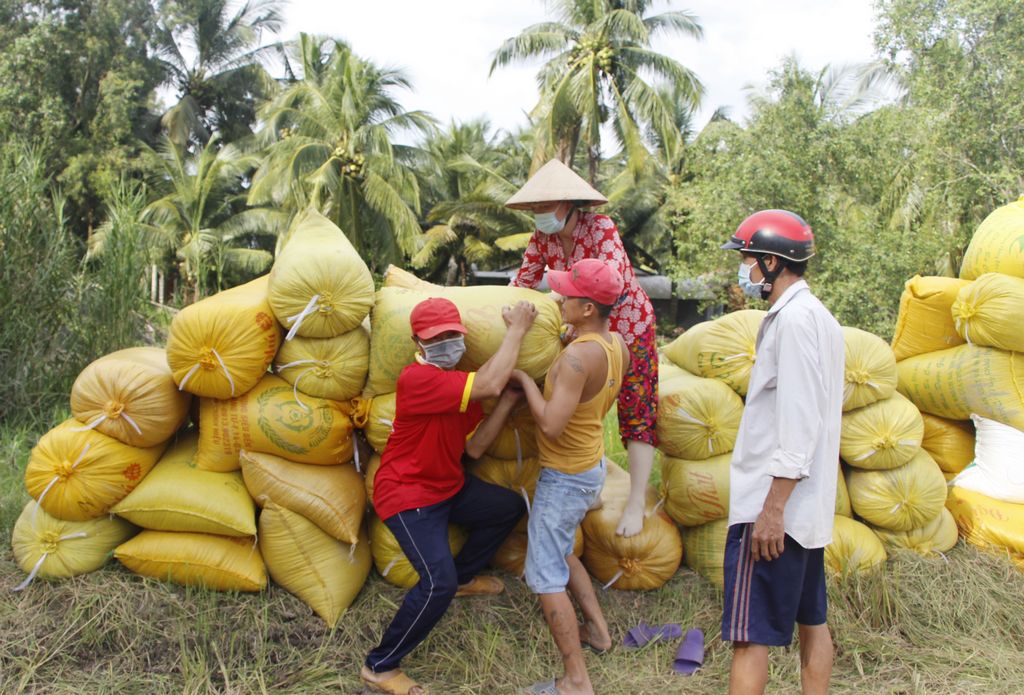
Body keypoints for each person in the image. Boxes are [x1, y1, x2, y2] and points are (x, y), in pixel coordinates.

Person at [361, 297, 538, 695]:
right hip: (407, 495)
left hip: (448, 485)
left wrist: (508, 402)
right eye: (435, 337)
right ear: (418, 343)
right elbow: (491, 382)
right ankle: (380, 666)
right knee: (434, 585)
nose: (446, 342)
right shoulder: (416, 379)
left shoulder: (459, 385)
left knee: (507, 508)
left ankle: (463, 578)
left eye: (451, 335)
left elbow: (475, 449)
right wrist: (518, 329)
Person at [719, 210, 844, 695]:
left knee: (749, 639)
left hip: (774, 510)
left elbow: (797, 420)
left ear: (772, 261)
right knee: (814, 623)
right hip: (805, 511)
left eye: (748, 260)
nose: (745, 269)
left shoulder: (792, 321)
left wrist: (772, 511)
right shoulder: (821, 319)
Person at [506, 159, 657, 539]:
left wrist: (569, 305)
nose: (540, 215)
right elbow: (523, 281)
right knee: (581, 409)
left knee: (635, 409)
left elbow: (614, 281)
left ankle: (636, 500)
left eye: (546, 206)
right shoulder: (542, 239)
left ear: (569, 204)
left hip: (627, 326)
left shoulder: (600, 228)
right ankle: (590, 487)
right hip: (576, 329)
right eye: (536, 208)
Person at [510, 258, 630, 695]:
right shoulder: (614, 344)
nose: (558, 298)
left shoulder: (578, 358)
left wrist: (524, 379)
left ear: (587, 309)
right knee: (560, 552)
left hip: (564, 476)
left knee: (543, 573)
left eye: (567, 295)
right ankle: (598, 631)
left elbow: (550, 425)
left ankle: (575, 681)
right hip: (589, 465)